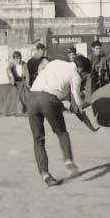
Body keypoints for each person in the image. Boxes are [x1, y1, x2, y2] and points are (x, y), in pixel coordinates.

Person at [28, 55, 92, 187]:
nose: (84, 76)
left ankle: (45, 174)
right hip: (49, 101)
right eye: (84, 73)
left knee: (38, 139)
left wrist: (62, 101)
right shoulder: (75, 76)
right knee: (62, 133)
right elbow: (77, 101)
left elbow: (46, 79)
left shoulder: (55, 62)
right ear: (80, 69)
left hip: (32, 98)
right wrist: (80, 112)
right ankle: (69, 161)